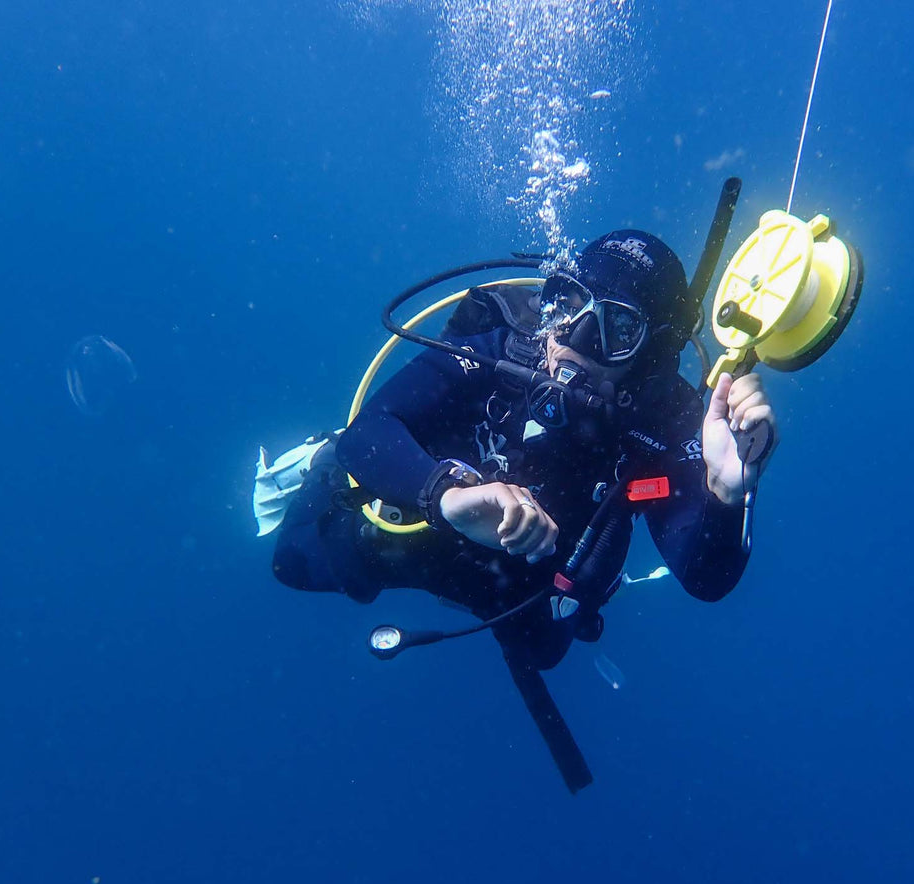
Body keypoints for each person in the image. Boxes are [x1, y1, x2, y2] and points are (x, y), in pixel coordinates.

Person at [268, 229, 778, 789]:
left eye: (619, 329)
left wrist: (727, 496)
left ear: (653, 351)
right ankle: (317, 462)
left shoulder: (671, 425)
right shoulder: (504, 347)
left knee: (544, 649)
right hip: (431, 519)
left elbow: (706, 578)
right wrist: (448, 494)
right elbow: (368, 433)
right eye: (567, 302)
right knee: (294, 563)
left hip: (527, 574)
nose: (574, 339)